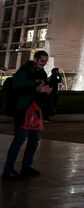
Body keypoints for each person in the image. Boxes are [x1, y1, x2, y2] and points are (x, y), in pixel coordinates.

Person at [3, 50, 52, 180]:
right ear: (35, 59)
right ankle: (8, 171)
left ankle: (26, 167)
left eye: (45, 62)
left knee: (34, 140)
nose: (43, 64)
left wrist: (46, 91)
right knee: (19, 140)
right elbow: (17, 89)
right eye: (42, 61)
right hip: (22, 111)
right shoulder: (23, 71)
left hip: (35, 112)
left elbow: (40, 89)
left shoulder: (42, 73)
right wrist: (34, 88)